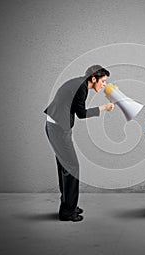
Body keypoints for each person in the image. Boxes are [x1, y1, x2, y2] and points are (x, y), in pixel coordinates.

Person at [44, 65, 114, 222]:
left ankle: (69, 205)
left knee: (65, 167)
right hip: (58, 129)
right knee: (72, 167)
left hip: (56, 127)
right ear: (93, 78)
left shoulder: (78, 83)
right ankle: (68, 212)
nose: (104, 85)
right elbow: (81, 114)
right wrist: (103, 107)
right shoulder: (81, 87)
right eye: (102, 81)